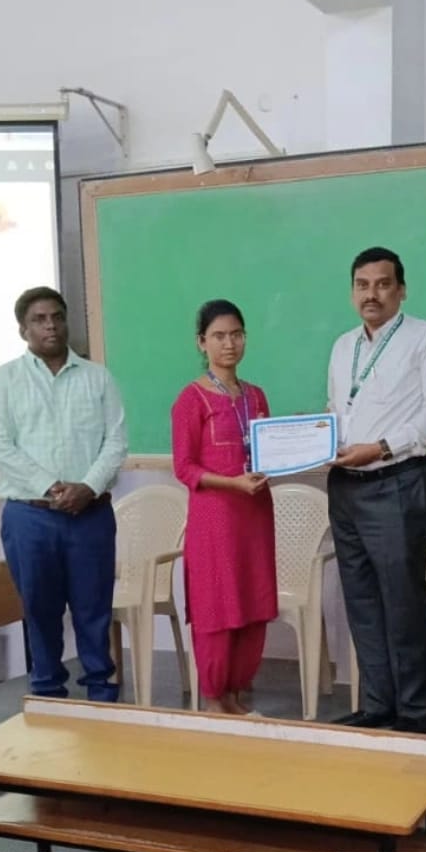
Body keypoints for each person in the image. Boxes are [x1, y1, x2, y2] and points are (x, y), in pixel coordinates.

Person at [327, 246, 426, 732]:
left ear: (401, 290)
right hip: (346, 486)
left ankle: (415, 710)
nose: (372, 294)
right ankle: (378, 702)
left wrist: (381, 447)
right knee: (360, 599)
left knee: (402, 599)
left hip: (398, 481)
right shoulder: (343, 346)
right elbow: (339, 409)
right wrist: (320, 440)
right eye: (362, 285)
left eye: (383, 284)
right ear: (352, 292)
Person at [0, 287, 128, 702]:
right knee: (40, 610)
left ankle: (101, 693)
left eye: (57, 317)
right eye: (39, 319)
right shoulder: (5, 380)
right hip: (31, 517)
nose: (51, 326)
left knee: (93, 610)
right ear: (23, 330)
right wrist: (53, 486)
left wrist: (87, 488)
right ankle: (47, 694)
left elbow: (116, 442)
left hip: (90, 515)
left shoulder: (98, 377)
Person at [171, 299, 277, 714]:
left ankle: (236, 694)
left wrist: (304, 440)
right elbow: (185, 468)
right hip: (215, 519)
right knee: (218, 603)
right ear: (202, 342)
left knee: (253, 600)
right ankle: (216, 697)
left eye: (236, 334)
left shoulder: (256, 395)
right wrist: (232, 483)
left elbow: (267, 451)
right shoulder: (191, 399)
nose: (229, 343)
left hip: (255, 515)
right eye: (218, 336)